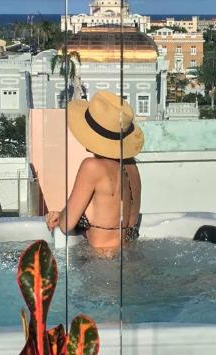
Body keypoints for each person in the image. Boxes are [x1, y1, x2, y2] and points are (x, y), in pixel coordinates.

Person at [44, 91, 143, 252]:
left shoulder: (92, 167)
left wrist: (58, 216)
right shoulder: (132, 167)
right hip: (130, 256)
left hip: (102, 262)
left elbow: (66, 225)